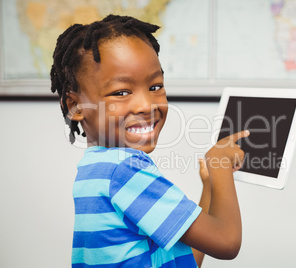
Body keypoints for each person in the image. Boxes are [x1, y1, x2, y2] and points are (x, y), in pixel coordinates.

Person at [50, 14, 249, 267]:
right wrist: (219, 163)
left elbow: (180, 261)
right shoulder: (125, 171)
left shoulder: (96, 171)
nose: (146, 105)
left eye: (155, 87)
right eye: (121, 92)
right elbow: (227, 242)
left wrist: (209, 186)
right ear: (76, 105)